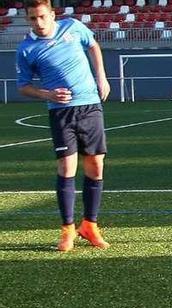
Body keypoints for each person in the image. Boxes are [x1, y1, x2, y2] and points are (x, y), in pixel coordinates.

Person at [16, 0, 111, 252]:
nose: (38, 23)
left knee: (95, 164)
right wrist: (47, 95)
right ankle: (67, 229)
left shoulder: (73, 27)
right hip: (60, 112)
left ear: (52, 14)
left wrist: (101, 76)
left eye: (42, 17)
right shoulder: (27, 49)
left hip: (90, 105)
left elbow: (93, 45)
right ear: (27, 19)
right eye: (32, 19)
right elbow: (23, 86)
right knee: (67, 166)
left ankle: (89, 225)